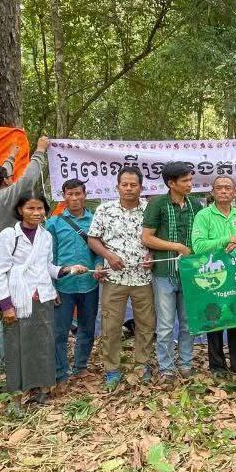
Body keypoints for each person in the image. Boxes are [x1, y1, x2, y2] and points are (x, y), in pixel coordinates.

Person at [0, 194, 87, 405]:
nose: (36, 213)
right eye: (31, 208)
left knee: (44, 344)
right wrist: (6, 305)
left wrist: (69, 270)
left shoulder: (45, 236)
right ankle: (17, 392)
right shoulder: (9, 235)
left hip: (42, 297)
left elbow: (47, 267)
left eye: (40, 209)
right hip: (18, 298)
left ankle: (43, 388)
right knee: (17, 345)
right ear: (20, 210)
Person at [87, 167, 155, 387]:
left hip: (143, 279)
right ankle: (112, 369)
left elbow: (158, 238)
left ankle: (142, 365)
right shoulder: (104, 210)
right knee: (111, 326)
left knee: (146, 325)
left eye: (133, 185)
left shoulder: (150, 210)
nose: (128, 188)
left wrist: (152, 255)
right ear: (117, 187)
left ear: (141, 188)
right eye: (124, 184)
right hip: (114, 279)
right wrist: (108, 256)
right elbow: (93, 239)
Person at [142, 162, 202, 378]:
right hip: (164, 273)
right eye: (185, 181)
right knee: (166, 325)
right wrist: (176, 246)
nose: (190, 184)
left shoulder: (196, 205)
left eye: (190, 179)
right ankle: (166, 368)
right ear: (171, 183)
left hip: (190, 274)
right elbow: (147, 237)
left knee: (187, 323)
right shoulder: (157, 204)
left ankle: (186, 364)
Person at [192, 176, 236, 376]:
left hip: (235, 275)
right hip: (212, 276)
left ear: (234, 192)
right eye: (219, 188)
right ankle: (217, 367)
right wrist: (228, 239)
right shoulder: (203, 215)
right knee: (214, 318)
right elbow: (198, 246)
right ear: (212, 192)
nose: (224, 191)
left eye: (227, 188)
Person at [46, 179, 103, 382]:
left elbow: (99, 250)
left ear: (85, 195)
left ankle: (80, 366)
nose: (74, 198)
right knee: (59, 331)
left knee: (87, 328)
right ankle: (60, 371)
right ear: (63, 196)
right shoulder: (53, 223)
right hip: (63, 286)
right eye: (70, 194)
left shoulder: (95, 220)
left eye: (78, 194)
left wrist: (99, 265)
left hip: (89, 284)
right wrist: (51, 287)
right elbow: (48, 257)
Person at [0, 136, 52, 238]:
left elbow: (4, 171)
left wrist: (11, 156)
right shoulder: (4, 197)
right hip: (19, 246)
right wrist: (40, 150)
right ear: (5, 181)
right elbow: (28, 179)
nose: (12, 177)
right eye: (10, 176)